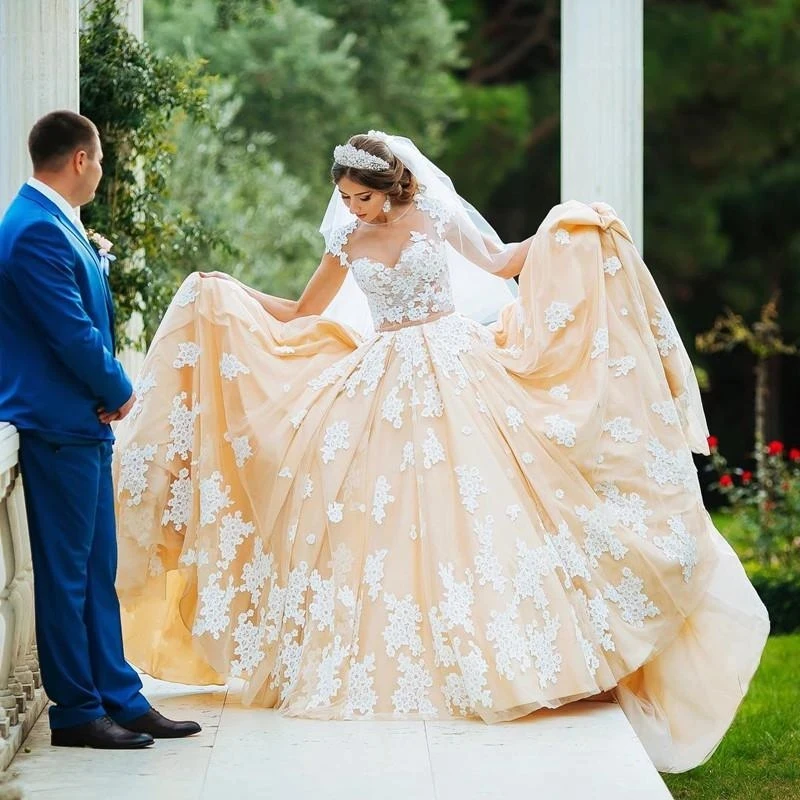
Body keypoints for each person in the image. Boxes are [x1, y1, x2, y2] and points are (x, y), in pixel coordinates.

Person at [114, 131, 769, 772]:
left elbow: (502, 261)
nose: (349, 208)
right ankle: (396, 659)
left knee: (487, 511)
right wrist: (225, 293)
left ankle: (517, 656)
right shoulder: (346, 239)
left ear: (389, 187)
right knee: (378, 522)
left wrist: (572, 227)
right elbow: (301, 312)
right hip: (380, 380)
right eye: (343, 196)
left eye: (360, 197)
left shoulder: (433, 214)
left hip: (458, 369)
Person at [0, 110, 201, 749]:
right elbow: (70, 332)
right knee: (65, 574)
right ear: (81, 159)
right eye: (101, 162)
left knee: (95, 570)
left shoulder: (54, 221)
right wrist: (119, 388)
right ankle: (78, 712)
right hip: (56, 420)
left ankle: (120, 697)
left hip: (77, 423)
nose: (102, 173)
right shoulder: (33, 229)